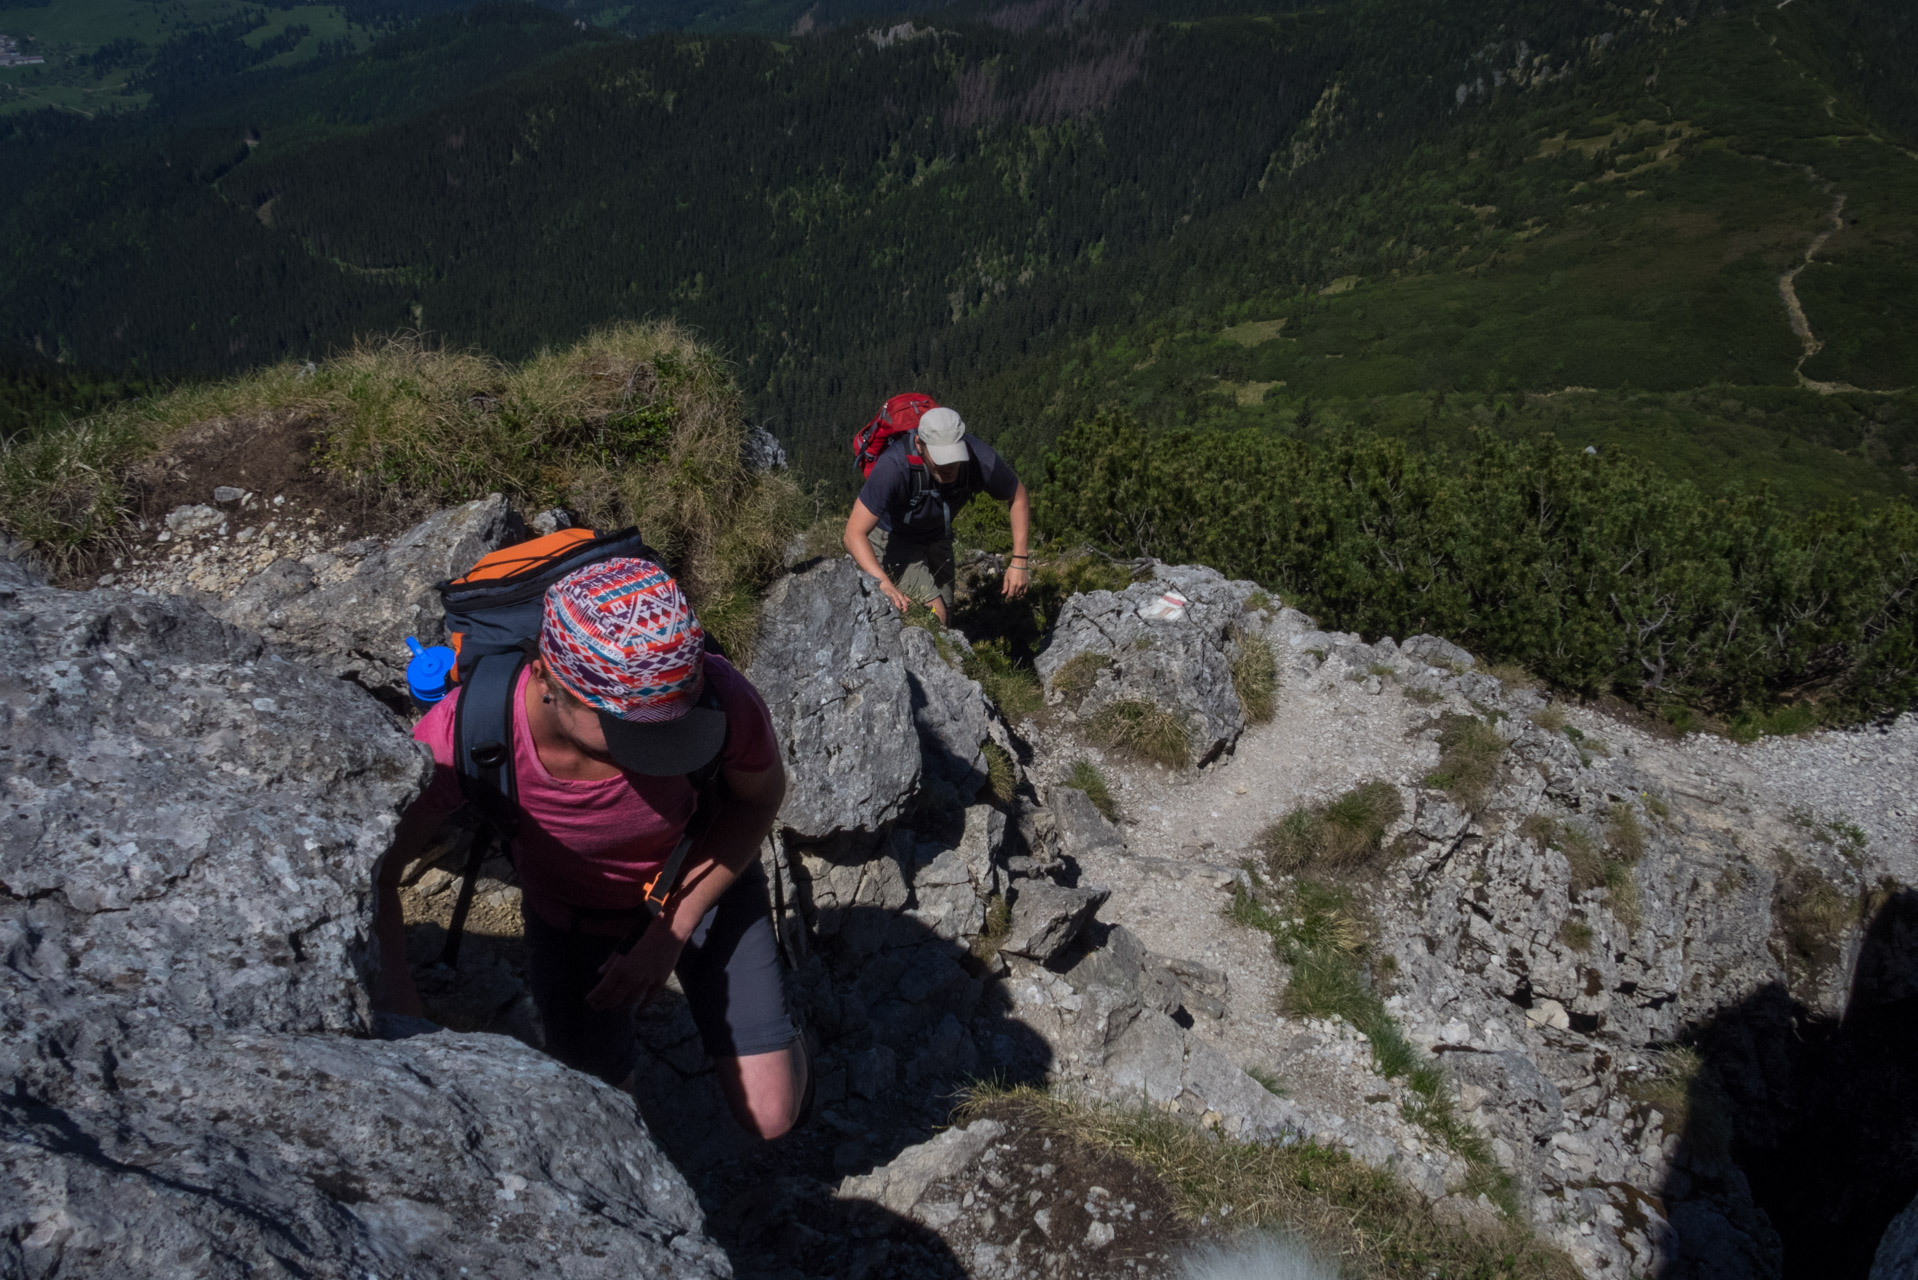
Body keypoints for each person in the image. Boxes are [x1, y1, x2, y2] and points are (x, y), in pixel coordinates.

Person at [371, 557, 806, 1140]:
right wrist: (403, 1015)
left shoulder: (718, 699)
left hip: (704, 874)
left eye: (673, 728)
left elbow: (756, 799)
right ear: (549, 680)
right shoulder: (466, 734)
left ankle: (781, 1027)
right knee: (602, 1121)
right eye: (632, 731)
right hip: (573, 921)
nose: (661, 749)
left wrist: (670, 930)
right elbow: (376, 869)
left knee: (772, 1116)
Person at [842, 405, 1031, 624]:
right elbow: (853, 533)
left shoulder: (979, 459)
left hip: (938, 537)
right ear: (918, 445)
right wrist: (882, 582)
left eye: (954, 458)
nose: (949, 467)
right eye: (940, 459)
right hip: (893, 538)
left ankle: (940, 647)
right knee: (935, 615)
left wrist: (1019, 561)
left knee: (947, 613)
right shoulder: (894, 467)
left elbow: (1018, 496)